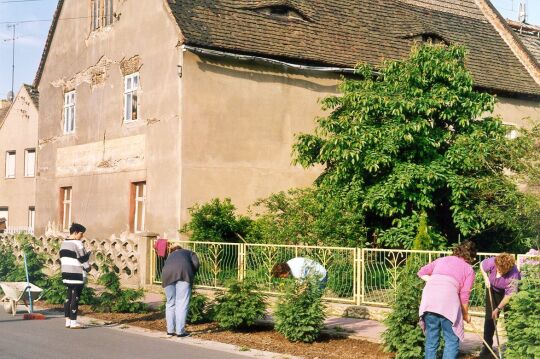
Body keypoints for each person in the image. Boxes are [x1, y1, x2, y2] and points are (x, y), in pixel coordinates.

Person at [417, 240, 477, 359]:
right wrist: (466, 315)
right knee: (451, 341)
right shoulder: (468, 269)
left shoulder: (442, 260)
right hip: (448, 304)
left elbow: (421, 272)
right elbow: (464, 295)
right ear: (472, 255)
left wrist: (435, 281)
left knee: (431, 342)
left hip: (429, 302)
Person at [478, 253, 521, 358]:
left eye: (501, 271)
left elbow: (509, 295)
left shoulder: (514, 274)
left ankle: (513, 347)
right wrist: (486, 278)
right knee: (490, 318)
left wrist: (498, 308)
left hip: (509, 296)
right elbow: (482, 265)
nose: (498, 272)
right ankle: (487, 347)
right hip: (493, 290)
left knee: (510, 319)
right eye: (497, 269)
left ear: (508, 269)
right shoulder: (494, 261)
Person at [161, 245, 199, 337]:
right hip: (184, 274)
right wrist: (192, 273)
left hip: (166, 275)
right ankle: (180, 332)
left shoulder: (170, 255)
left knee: (170, 303)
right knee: (181, 303)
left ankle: (170, 331)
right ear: (181, 249)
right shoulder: (190, 252)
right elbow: (196, 264)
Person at [59, 223, 91, 329]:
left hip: (65, 272)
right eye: (81, 234)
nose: (82, 236)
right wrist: (88, 266)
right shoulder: (78, 243)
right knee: (75, 297)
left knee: (68, 296)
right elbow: (83, 259)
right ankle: (74, 322)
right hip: (76, 273)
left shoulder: (63, 243)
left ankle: (67, 321)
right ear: (76, 232)